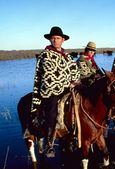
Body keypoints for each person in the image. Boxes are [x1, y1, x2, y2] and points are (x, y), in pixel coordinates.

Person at [30, 26, 80, 157]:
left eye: (58, 38)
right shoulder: (45, 55)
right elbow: (48, 75)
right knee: (52, 111)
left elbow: (74, 71)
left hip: (68, 88)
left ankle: (77, 134)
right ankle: (50, 142)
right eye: (53, 38)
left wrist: (76, 81)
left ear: (63, 40)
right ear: (50, 39)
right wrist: (65, 83)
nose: (55, 40)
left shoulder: (67, 56)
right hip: (51, 90)